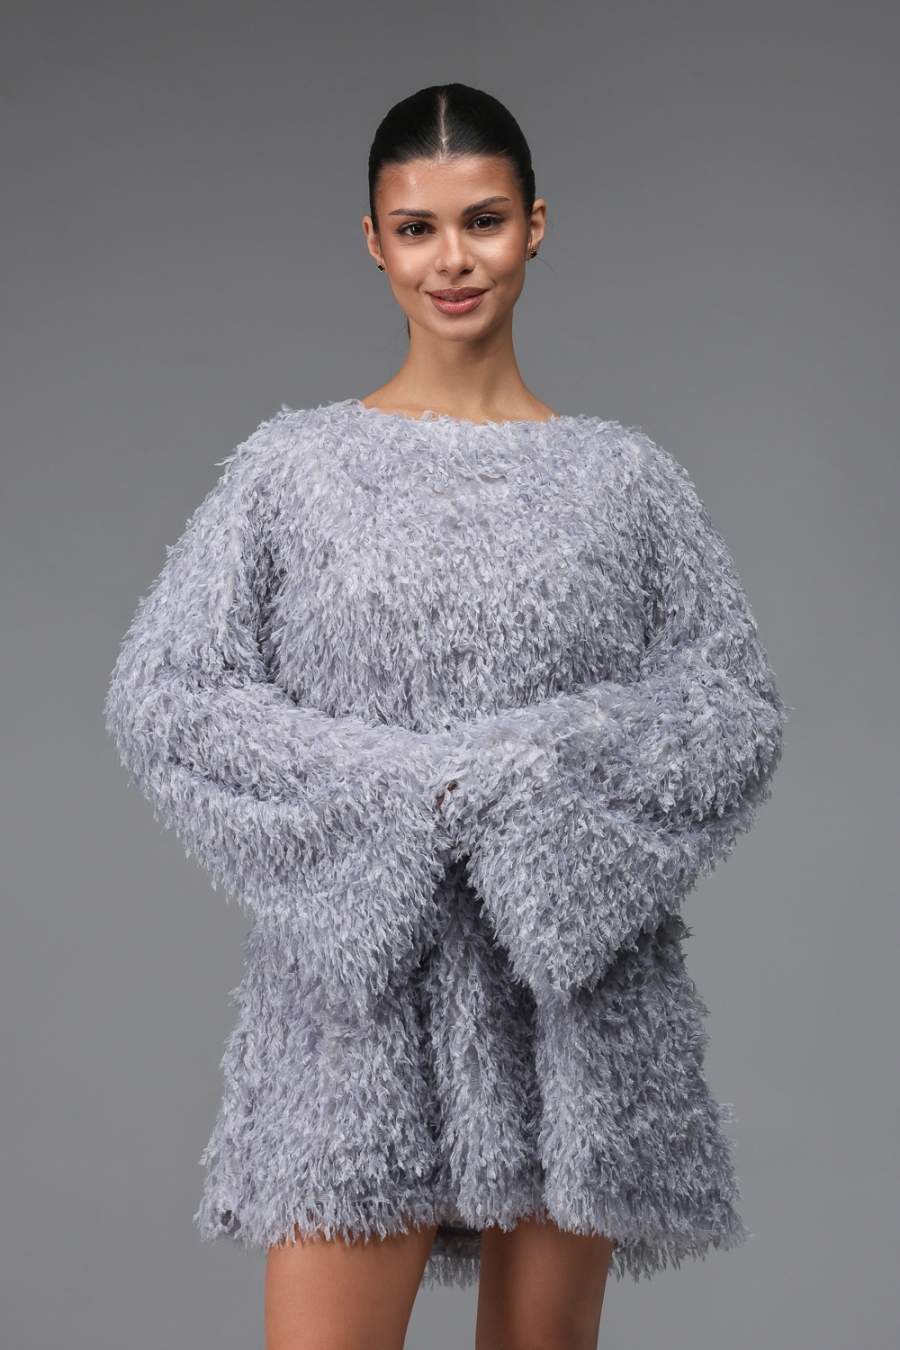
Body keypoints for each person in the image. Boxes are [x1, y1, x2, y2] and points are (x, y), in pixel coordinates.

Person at [105, 84, 788, 1350]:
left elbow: (729, 711)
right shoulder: (295, 470)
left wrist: (531, 785)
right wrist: (403, 795)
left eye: (482, 221)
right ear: (373, 241)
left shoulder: (626, 480)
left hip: (571, 998)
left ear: (536, 225)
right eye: (416, 228)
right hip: (359, 1002)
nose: (452, 259)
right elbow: (171, 695)